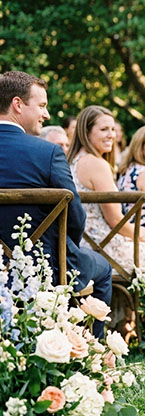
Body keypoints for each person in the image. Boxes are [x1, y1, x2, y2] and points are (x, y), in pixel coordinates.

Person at [0, 71, 111, 337]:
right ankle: (93, 353)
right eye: (41, 105)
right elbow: (75, 219)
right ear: (17, 104)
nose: (47, 114)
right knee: (104, 269)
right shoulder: (47, 153)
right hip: (46, 266)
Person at [66, 105, 145, 275]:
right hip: (100, 245)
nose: (111, 135)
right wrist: (143, 235)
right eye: (104, 129)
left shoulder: (71, 161)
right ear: (86, 132)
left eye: (113, 129)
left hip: (78, 242)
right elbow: (115, 220)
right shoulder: (96, 164)